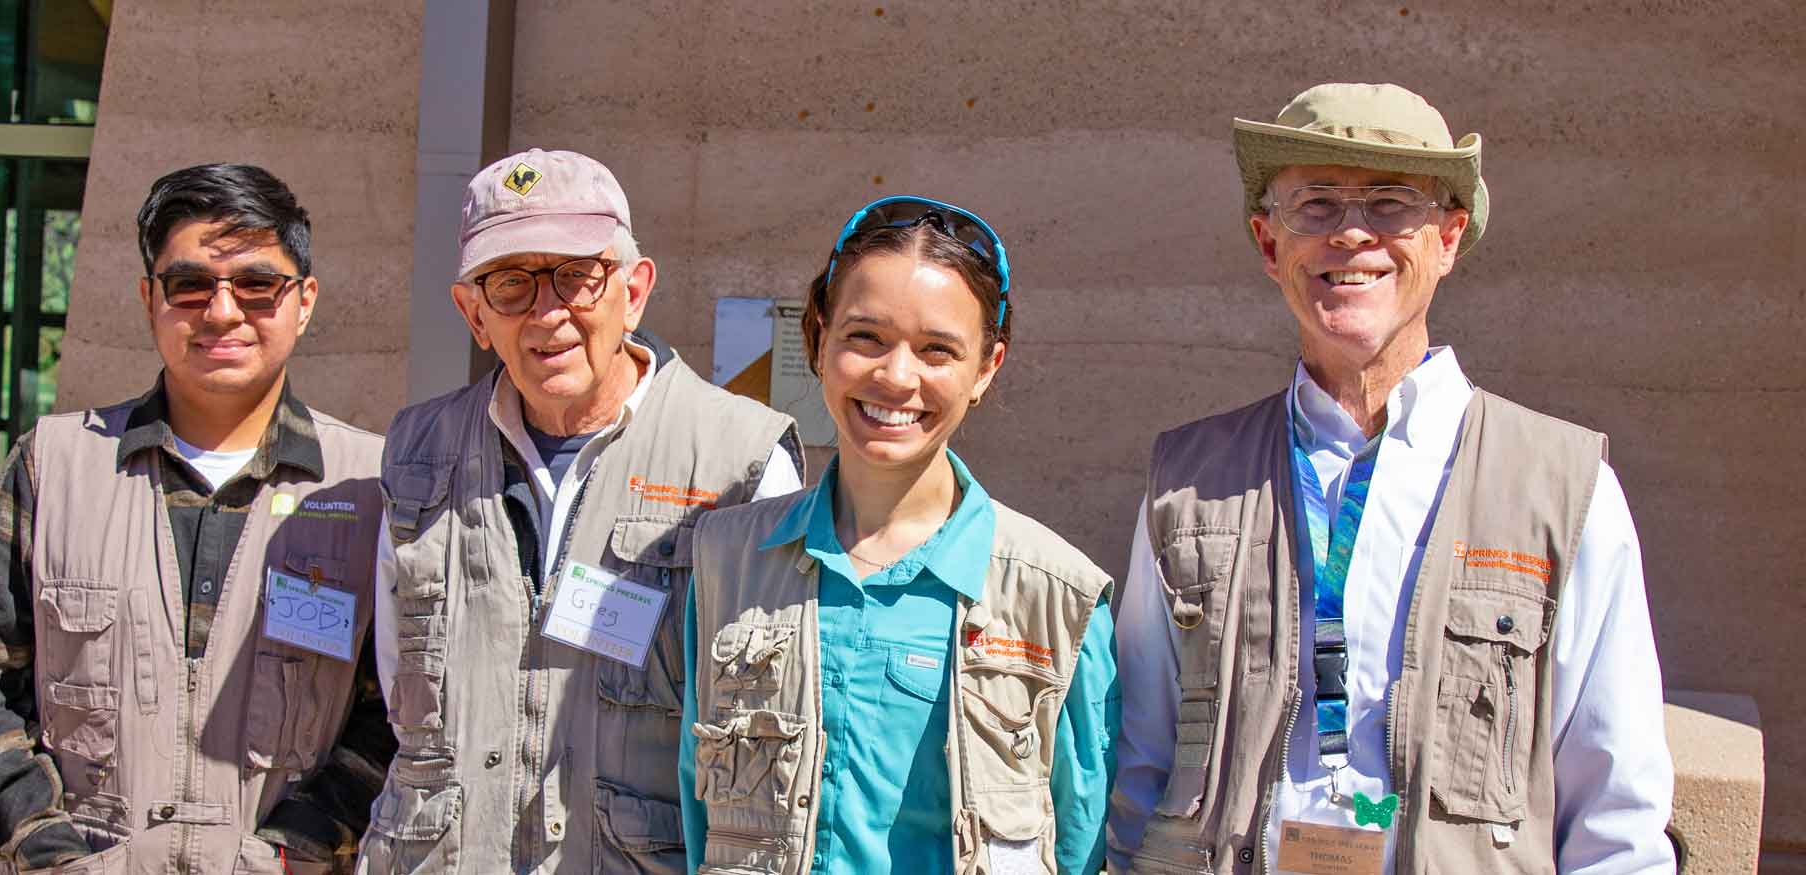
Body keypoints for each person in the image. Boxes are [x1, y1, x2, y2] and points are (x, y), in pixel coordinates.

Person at [1107, 83, 1675, 873]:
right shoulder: (1186, 484)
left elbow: (1617, 810)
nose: (1350, 233)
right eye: (1316, 204)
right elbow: (1139, 766)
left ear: (1447, 238)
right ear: (1270, 245)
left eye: (1389, 202)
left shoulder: (1564, 489)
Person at [0, 164, 390, 874]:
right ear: (150, 300)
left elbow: (397, 708)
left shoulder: (369, 488)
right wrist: (44, 848)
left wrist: (295, 850)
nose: (221, 311)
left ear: (303, 302)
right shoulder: (53, 466)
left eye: (256, 284)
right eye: (190, 285)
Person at [359, 148, 801, 874]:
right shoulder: (417, 454)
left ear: (634, 290)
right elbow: (400, 696)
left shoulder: (740, 463)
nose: (547, 312)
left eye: (576, 276)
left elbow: (772, 743)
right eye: (511, 283)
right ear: (474, 313)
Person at [679, 196, 1121, 875]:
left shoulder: (1057, 597)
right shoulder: (726, 561)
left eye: (938, 349)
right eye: (866, 337)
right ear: (819, 338)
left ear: (987, 367)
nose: (896, 375)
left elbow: (1081, 839)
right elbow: (696, 808)